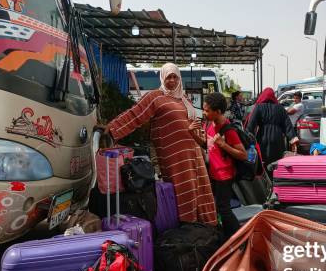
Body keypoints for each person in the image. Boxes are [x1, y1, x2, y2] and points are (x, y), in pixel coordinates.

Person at [106, 63, 217, 226]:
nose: (172, 81)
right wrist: (111, 129)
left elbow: (196, 125)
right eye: (168, 77)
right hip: (175, 158)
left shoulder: (184, 99)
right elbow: (136, 115)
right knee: (181, 193)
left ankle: (205, 230)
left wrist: (205, 143)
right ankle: (187, 231)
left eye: (175, 77)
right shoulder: (156, 97)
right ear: (162, 78)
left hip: (194, 154)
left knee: (200, 191)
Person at [189, 93, 247, 238]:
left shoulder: (229, 130)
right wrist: (192, 133)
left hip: (225, 175)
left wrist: (224, 145)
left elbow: (243, 154)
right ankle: (226, 236)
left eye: (207, 110)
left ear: (218, 111)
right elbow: (206, 145)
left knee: (224, 209)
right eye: (204, 109)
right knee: (218, 208)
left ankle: (238, 238)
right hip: (214, 173)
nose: (204, 113)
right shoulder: (209, 124)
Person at [246, 87, 299, 169]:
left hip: (262, 137)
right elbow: (287, 125)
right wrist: (293, 140)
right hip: (277, 138)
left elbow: (251, 125)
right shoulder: (280, 108)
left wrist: (248, 140)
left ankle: (265, 178)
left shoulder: (258, 107)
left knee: (263, 159)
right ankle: (275, 177)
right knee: (277, 161)